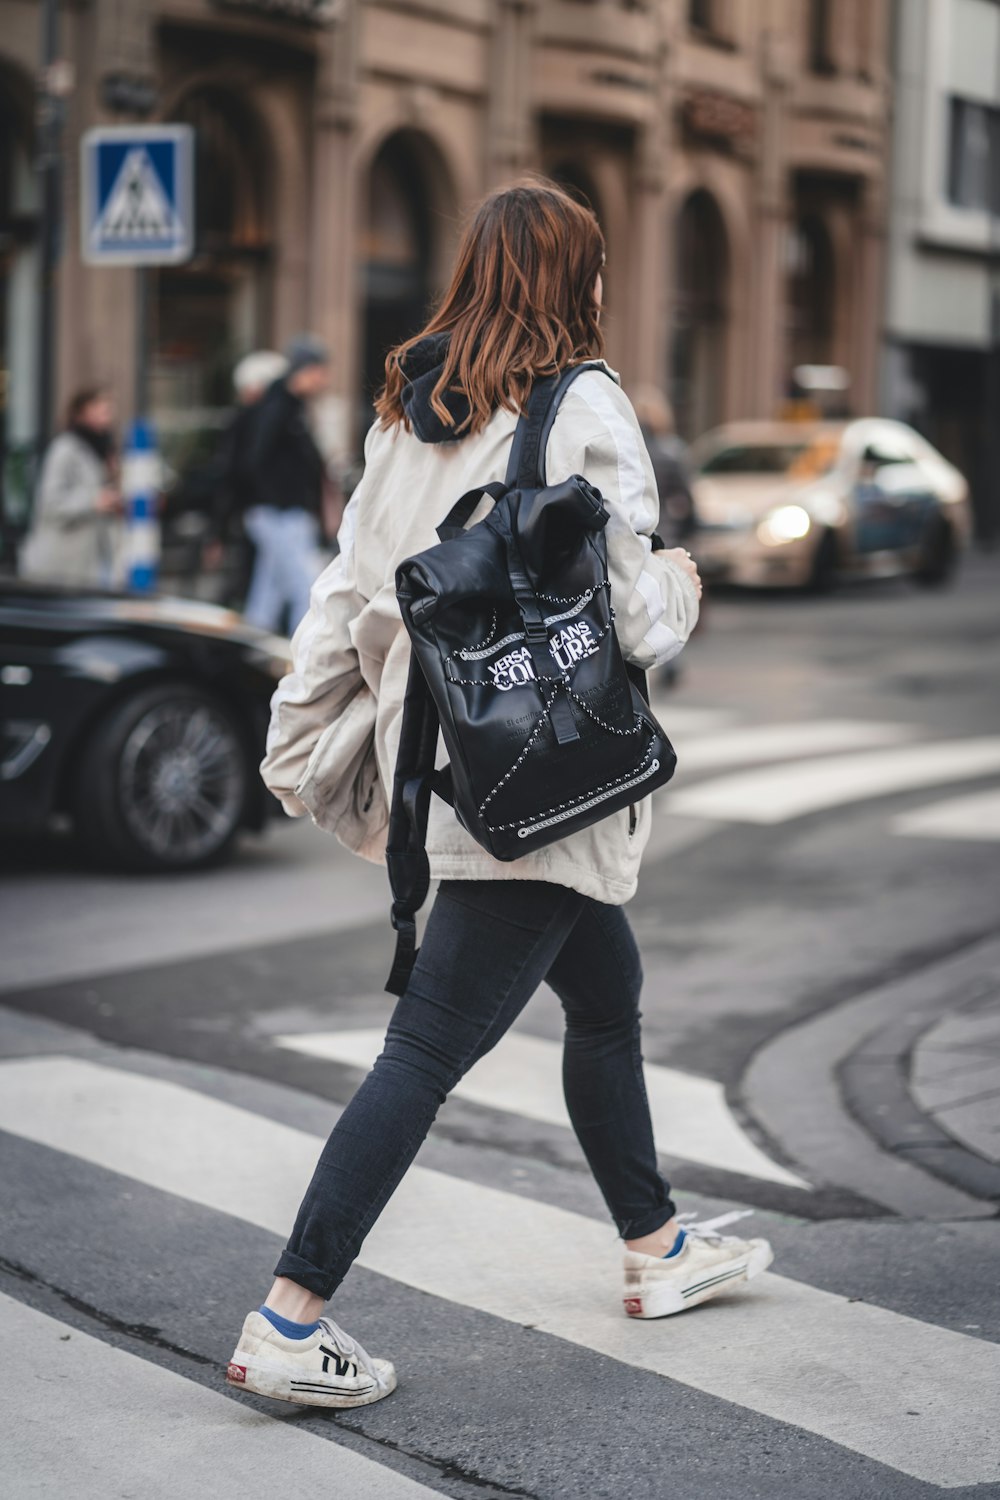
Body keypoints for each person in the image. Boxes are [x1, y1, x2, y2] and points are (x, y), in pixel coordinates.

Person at [226, 180, 772, 1410]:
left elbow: (350, 583)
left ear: (471, 271)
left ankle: (655, 1247)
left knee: (607, 994)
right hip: (542, 775)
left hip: (447, 764)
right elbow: (633, 620)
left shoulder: (408, 408)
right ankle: (289, 1315)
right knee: (425, 1046)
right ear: (577, 280)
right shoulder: (585, 403)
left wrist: (303, 725)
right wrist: (681, 578)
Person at [241, 335, 331, 633]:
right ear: (305, 370)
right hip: (279, 513)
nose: (323, 380)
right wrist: (279, 500)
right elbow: (256, 458)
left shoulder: (290, 405)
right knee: (306, 590)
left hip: (282, 511)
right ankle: (302, 664)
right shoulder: (278, 406)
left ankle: (253, 656)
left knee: (268, 594)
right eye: (320, 372)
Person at [202, 350, 289, 594]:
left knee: (267, 584)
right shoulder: (250, 423)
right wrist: (218, 528)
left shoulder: (276, 419)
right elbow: (231, 474)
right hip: (258, 513)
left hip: (263, 512)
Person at [20, 387, 123, 587]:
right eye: (100, 408)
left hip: (92, 563)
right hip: (59, 567)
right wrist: (94, 501)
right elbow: (50, 502)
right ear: (81, 412)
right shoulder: (64, 449)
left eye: (109, 409)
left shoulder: (103, 450)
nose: (107, 415)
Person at [633, 386, 697, 547]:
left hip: (630, 535)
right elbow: (687, 501)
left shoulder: (624, 451)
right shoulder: (672, 452)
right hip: (664, 534)